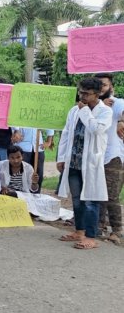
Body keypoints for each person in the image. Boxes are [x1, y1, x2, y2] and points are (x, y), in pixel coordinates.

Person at [57, 77, 112, 250]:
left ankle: (90, 236)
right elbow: (66, 134)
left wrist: (85, 112)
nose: (82, 96)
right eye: (81, 92)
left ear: (97, 94)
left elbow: (96, 129)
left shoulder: (105, 111)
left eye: (87, 94)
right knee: (77, 200)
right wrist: (61, 158)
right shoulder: (74, 110)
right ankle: (79, 231)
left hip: (91, 164)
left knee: (90, 200)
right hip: (73, 161)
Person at [94, 73, 124, 244]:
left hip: (113, 156)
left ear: (111, 87)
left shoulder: (117, 102)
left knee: (111, 196)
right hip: (96, 156)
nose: (101, 88)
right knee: (97, 193)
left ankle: (117, 231)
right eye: (98, 85)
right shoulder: (94, 105)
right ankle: (98, 227)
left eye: (104, 85)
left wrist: (121, 120)